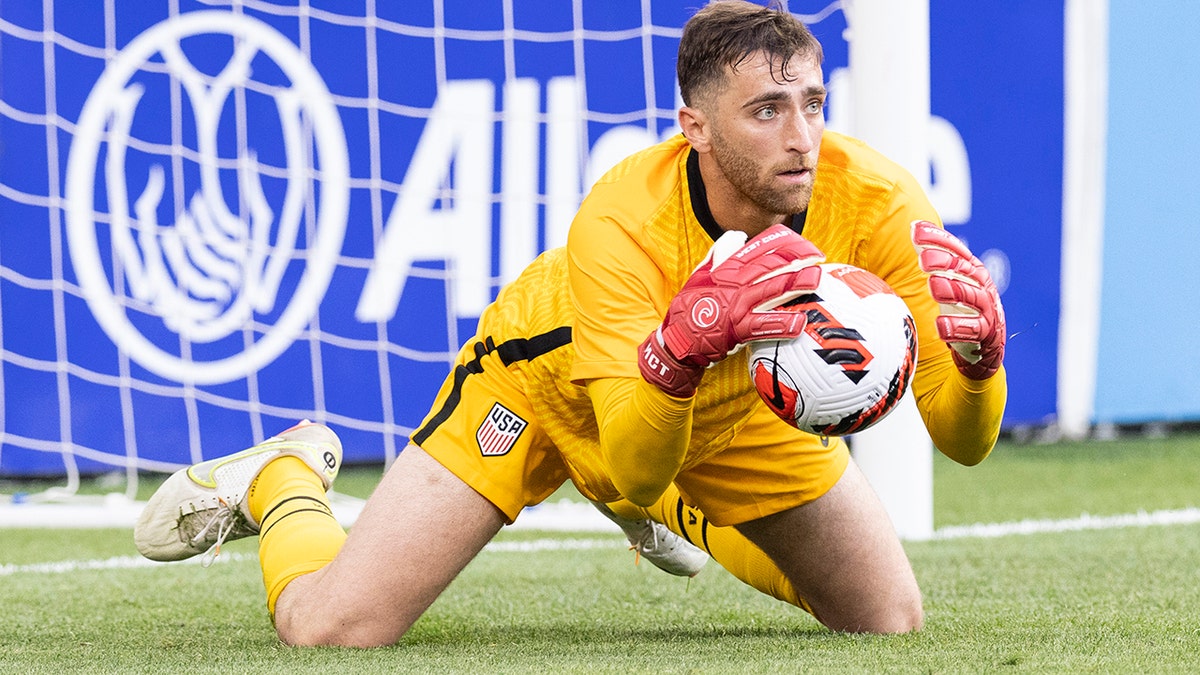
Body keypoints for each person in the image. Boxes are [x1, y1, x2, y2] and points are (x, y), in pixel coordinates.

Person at [135, 0, 1007, 646]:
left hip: (725, 411)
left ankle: (674, 505)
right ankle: (281, 476)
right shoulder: (622, 215)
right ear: (694, 127)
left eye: (814, 103)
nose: (802, 136)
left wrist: (975, 370)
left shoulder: (880, 200)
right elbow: (628, 447)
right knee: (333, 628)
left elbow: (963, 443)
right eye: (768, 110)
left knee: (885, 619)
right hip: (547, 383)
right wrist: (678, 350)